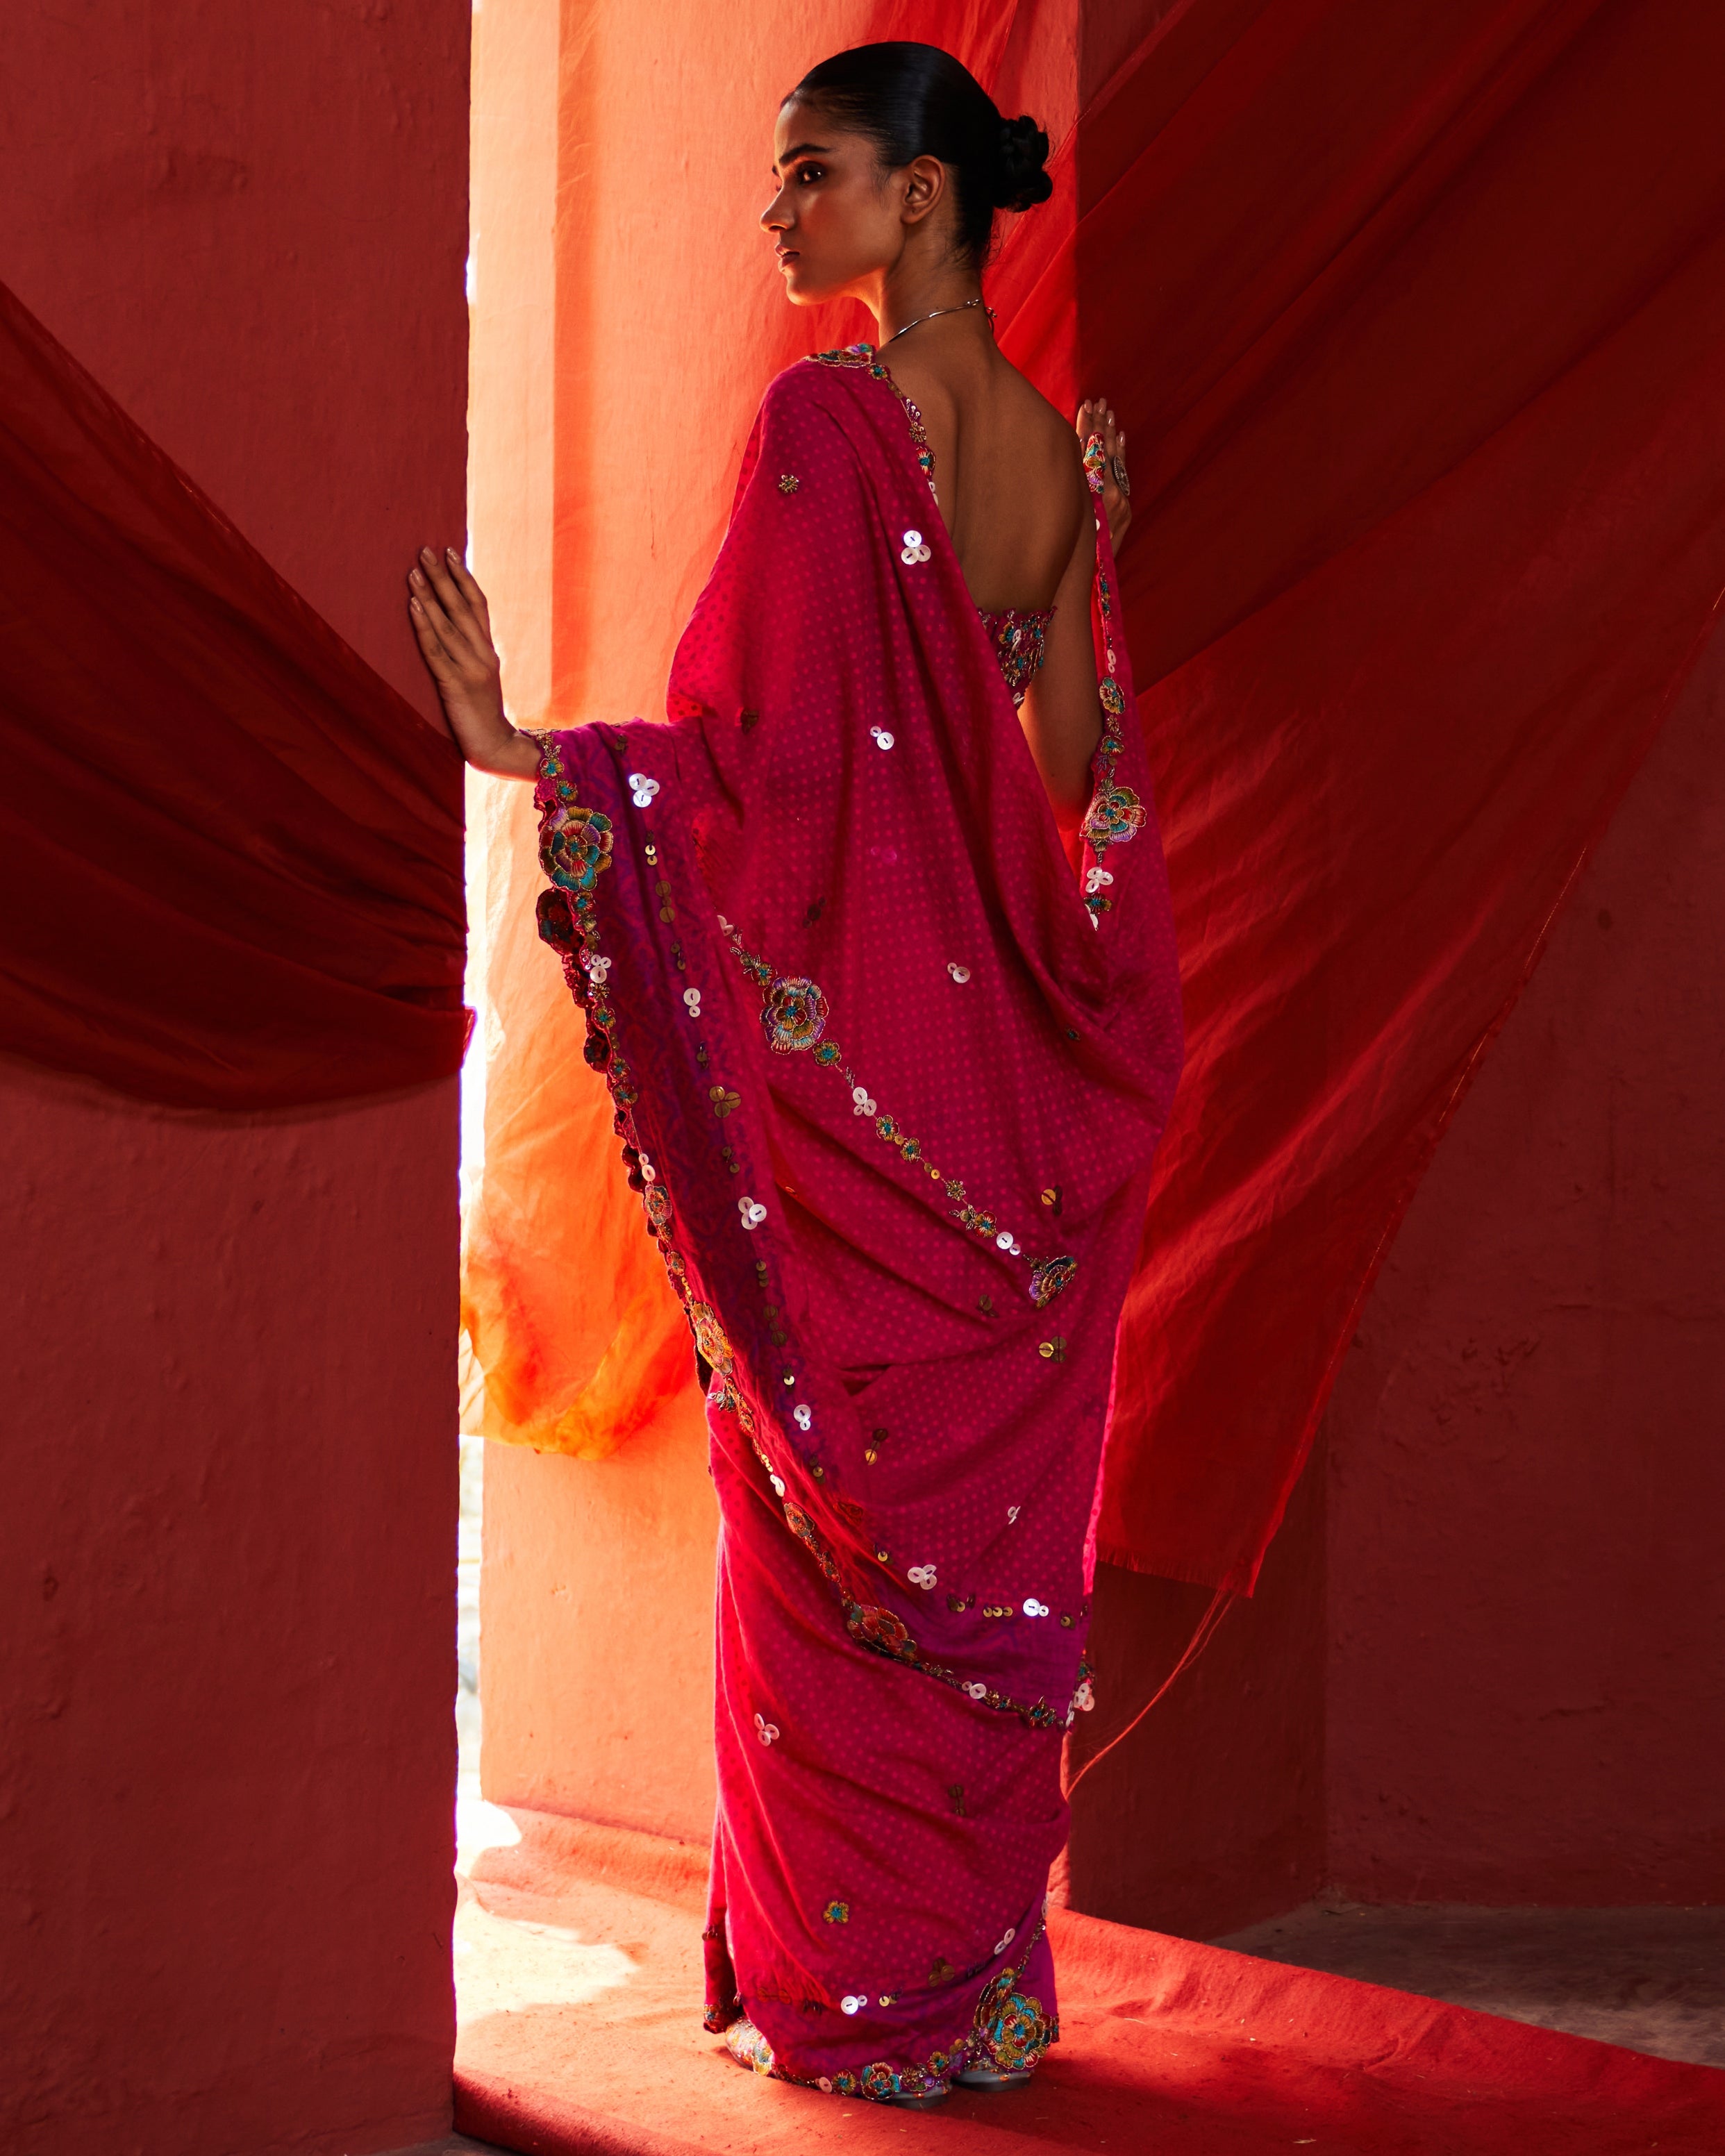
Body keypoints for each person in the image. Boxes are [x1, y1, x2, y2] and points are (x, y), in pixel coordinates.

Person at [408, 40, 1183, 2113]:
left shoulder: (825, 435)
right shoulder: (1036, 453)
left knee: (837, 1533)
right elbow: (1071, 816)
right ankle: (982, 1993)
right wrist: (1083, 559)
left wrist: (536, 762)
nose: (773, 216)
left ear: (920, 201)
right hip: (1015, 1113)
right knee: (973, 1558)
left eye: (807, 175)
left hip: (869, 1117)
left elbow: (750, 797)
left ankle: (872, 2012)